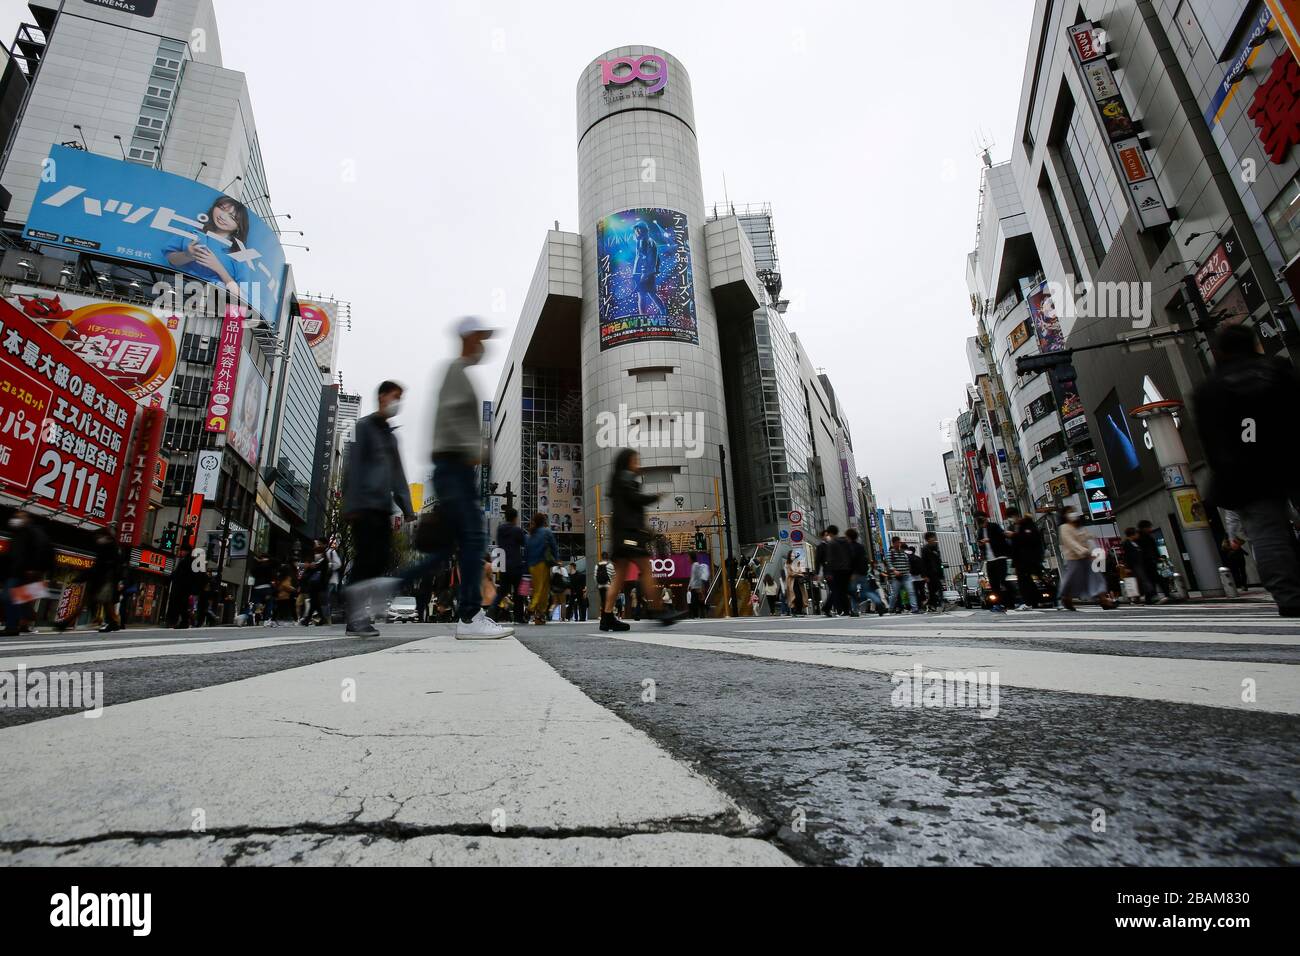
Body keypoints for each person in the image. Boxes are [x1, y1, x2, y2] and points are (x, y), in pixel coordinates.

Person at [1193, 322, 1300, 617]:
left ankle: (1289, 596)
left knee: (1267, 533)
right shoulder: (1277, 370)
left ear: (1218, 352)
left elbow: (1210, 439)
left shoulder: (1211, 387)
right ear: (1253, 344)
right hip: (1292, 456)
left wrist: (1224, 474)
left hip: (1247, 470)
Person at [342, 380, 417, 637]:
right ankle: (355, 617)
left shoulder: (391, 436)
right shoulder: (361, 427)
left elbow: (398, 475)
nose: (397, 403)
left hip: (382, 507)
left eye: (400, 398)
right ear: (382, 397)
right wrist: (350, 504)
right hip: (363, 506)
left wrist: (407, 508)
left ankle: (359, 610)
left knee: (381, 559)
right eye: (395, 396)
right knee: (365, 560)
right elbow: (351, 467)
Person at [598, 448, 685, 631]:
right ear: (628, 462)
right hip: (630, 535)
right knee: (646, 569)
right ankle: (658, 610)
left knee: (619, 578)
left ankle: (606, 617)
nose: (638, 464)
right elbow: (636, 500)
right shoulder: (626, 478)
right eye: (635, 460)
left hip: (620, 536)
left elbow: (626, 507)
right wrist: (655, 496)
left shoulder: (617, 480)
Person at [1, 509, 53, 636]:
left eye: (20, 516)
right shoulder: (18, 533)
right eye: (15, 516)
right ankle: (23, 623)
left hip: (24, 572)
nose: (16, 519)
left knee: (9, 597)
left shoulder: (33, 532)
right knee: (19, 599)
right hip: (16, 571)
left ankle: (13, 626)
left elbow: (40, 550)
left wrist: (34, 568)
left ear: (27, 519)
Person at [1057, 508, 1116, 611]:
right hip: (1074, 558)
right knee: (1074, 580)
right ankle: (1067, 598)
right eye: (1069, 512)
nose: (1072, 514)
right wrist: (1084, 551)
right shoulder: (1064, 527)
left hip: (1088, 558)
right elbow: (1070, 542)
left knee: (1097, 578)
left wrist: (1094, 550)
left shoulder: (1079, 527)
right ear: (1064, 516)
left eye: (1073, 511)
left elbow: (1088, 539)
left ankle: (1103, 600)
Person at [491, 508, 526, 624]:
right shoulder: (517, 530)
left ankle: (491, 614)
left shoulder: (500, 529)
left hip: (503, 563)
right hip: (516, 564)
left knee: (502, 591)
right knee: (518, 593)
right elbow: (524, 543)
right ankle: (518, 617)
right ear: (515, 518)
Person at [1006, 507, 1044, 610]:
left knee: (1031, 580)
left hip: (1029, 557)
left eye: (1011, 517)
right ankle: (1034, 601)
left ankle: (1033, 601)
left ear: (1015, 515)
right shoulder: (1013, 527)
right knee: (1025, 580)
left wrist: (1014, 535)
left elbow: (1031, 539)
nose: (1011, 519)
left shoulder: (1027, 524)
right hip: (1019, 559)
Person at [86, 528, 123, 633]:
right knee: (105, 601)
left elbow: (114, 565)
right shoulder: (111, 547)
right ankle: (113, 622)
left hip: (108, 579)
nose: (97, 539)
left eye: (98, 536)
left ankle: (113, 621)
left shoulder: (111, 547)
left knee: (105, 600)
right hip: (107, 579)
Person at [525, 512, 557, 625]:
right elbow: (553, 546)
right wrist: (556, 559)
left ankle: (539, 616)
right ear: (543, 521)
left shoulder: (529, 535)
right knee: (542, 590)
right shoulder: (546, 531)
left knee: (537, 589)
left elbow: (526, 552)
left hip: (531, 566)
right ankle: (532, 609)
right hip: (543, 564)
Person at [976, 512, 1011, 613]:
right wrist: (981, 543)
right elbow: (980, 545)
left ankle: (1009, 602)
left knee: (1003, 580)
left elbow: (1002, 538)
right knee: (993, 583)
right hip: (989, 559)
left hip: (1000, 557)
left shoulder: (994, 526)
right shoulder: (980, 531)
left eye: (983, 521)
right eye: (981, 523)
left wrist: (989, 540)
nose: (983, 524)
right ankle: (998, 604)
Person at [821, 526, 852, 617]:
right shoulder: (845, 541)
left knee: (837, 590)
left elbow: (830, 559)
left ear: (830, 533)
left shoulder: (831, 543)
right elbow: (850, 555)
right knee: (842, 590)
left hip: (836, 570)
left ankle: (828, 607)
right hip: (846, 569)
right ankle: (846, 610)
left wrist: (829, 572)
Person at [1136, 520, 1169, 605]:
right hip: (1146, 563)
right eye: (1149, 527)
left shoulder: (1146, 537)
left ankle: (1151, 598)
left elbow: (1154, 549)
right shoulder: (1140, 538)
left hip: (1149, 562)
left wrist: (1158, 558)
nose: (1150, 529)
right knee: (1155, 580)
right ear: (1144, 528)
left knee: (1152, 580)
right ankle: (1163, 595)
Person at [886, 537, 919, 614]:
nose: (898, 544)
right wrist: (894, 570)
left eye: (899, 542)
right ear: (893, 543)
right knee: (895, 594)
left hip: (906, 576)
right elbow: (889, 563)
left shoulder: (903, 553)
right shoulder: (890, 553)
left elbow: (907, 562)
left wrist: (908, 570)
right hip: (896, 577)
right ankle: (890, 608)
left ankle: (915, 608)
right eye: (897, 542)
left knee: (911, 591)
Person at [921, 531, 945, 612]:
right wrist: (924, 575)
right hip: (929, 573)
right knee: (932, 590)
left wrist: (941, 573)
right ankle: (932, 604)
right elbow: (923, 563)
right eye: (932, 538)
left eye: (934, 537)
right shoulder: (925, 549)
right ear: (928, 539)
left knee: (938, 588)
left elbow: (939, 561)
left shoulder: (936, 548)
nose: (934, 539)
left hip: (937, 572)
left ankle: (936, 604)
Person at [688, 552, 711, 618]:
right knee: (697, 601)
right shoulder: (693, 565)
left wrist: (699, 588)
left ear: (691, 558)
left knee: (694, 602)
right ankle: (705, 608)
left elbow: (698, 577)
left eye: (688, 557)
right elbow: (693, 577)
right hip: (694, 587)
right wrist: (690, 585)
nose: (688, 559)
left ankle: (696, 615)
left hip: (696, 587)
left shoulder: (696, 565)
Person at [595, 552, 614, 618]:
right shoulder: (610, 565)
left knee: (603, 601)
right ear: (607, 557)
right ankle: (608, 616)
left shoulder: (597, 565)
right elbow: (614, 575)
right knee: (608, 601)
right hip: (608, 586)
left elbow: (595, 576)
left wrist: (598, 583)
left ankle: (603, 616)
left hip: (600, 586)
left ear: (601, 557)